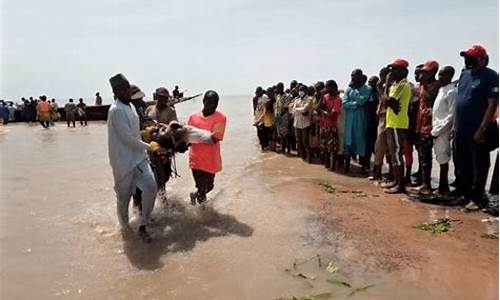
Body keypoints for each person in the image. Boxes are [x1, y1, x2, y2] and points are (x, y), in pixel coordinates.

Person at [107, 73, 162, 243]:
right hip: (123, 161)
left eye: (128, 86)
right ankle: (125, 228)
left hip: (138, 158)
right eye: (124, 88)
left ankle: (143, 224)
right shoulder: (115, 110)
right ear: (116, 91)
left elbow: (133, 134)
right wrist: (149, 146)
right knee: (124, 198)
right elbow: (126, 139)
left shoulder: (130, 106)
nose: (127, 90)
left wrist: (144, 134)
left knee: (151, 186)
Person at [455, 45, 499, 210]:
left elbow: (492, 104)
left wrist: (482, 128)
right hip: (461, 129)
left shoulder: (491, 76)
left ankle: (477, 197)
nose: (467, 60)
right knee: (462, 163)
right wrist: (455, 126)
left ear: (481, 59)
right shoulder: (465, 74)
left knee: (479, 165)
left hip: (478, 130)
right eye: (466, 57)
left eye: (471, 57)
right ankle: (464, 194)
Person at [188, 90, 226, 205]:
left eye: (215, 104)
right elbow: (188, 137)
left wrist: (195, 135)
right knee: (201, 189)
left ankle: (195, 195)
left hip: (211, 160)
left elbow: (214, 139)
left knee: (209, 186)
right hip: (196, 159)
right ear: (204, 101)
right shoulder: (193, 118)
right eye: (210, 103)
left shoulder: (221, 118)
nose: (212, 106)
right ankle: (203, 218)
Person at [384, 58, 412, 194]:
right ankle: (396, 181)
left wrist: (384, 86)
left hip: (398, 123)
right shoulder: (395, 85)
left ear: (403, 71)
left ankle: (401, 185)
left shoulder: (403, 85)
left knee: (397, 153)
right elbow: (387, 103)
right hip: (392, 122)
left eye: (395, 69)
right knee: (394, 154)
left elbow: (389, 100)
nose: (392, 72)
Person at [413, 60, 440, 196]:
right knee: (423, 155)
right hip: (420, 124)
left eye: (425, 73)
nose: (422, 75)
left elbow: (433, 102)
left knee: (432, 156)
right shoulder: (422, 86)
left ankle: (429, 185)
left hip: (431, 125)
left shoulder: (437, 86)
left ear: (434, 72)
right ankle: (425, 183)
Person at [431, 66, 456, 196]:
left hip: (443, 130)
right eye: (439, 75)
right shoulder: (441, 89)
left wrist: (440, 130)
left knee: (444, 158)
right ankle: (442, 185)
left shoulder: (451, 92)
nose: (439, 77)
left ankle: (444, 186)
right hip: (436, 128)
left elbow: (451, 115)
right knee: (439, 157)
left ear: (450, 76)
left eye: (442, 75)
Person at [342, 69, 371, 173]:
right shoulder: (348, 89)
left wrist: (354, 94)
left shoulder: (366, 88)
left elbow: (362, 100)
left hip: (360, 119)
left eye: (354, 75)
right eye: (351, 75)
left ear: (360, 76)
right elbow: (344, 103)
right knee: (348, 142)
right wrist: (355, 104)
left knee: (360, 142)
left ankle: (363, 167)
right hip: (349, 120)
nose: (352, 77)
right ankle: (346, 167)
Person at [369, 67, 392, 181]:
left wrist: (380, 89)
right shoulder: (383, 88)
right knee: (380, 146)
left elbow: (386, 101)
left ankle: (380, 172)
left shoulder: (391, 88)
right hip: (382, 118)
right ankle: (379, 171)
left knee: (386, 147)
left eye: (383, 76)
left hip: (389, 119)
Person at [319, 80, 342, 170]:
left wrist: (322, 111)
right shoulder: (325, 97)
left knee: (333, 148)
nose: (325, 89)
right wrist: (321, 96)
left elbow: (332, 115)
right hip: (323, 125)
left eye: (327, 87)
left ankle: (333, 165)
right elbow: (318, 107)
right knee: (324, 147)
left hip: (332, 126)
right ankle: (327, 162)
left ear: (333, 87)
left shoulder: (337, 99)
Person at [292, 84, 313, 162]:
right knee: (299, 141)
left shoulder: (309, 99)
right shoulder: (297, 99)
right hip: (297, 123)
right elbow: (292, 110)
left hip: (305, 123)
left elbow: (305, 109)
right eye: (299, 90)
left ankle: (309, 158)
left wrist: (297, 109)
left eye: (302, 90)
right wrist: (299, 109)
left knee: (305, 142)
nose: (300, 92)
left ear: (306, 91)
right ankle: (303, 158)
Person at [274, 82, 293, 153]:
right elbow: (276, 107)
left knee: (286, 135)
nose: (277, 89)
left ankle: (287, 150)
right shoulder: (278, 96)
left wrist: (279, 116)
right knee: (280, 135)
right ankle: (283, 149)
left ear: (282, 88)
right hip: (278, 118)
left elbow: (286, 108)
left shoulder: (287, 96)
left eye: (278, 88)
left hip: (284, 118)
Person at [253, 86, 273, 151]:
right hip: (258, 118)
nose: (257, 94)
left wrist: (259, 119)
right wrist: (255, 118)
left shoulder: (265, 97)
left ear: (261, 92)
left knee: (264, 134)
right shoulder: (257, 98)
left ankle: (265, 148)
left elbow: (266, 109)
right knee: (259, 134)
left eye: (258, 93)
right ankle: (263, 148)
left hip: (264, 119)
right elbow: (256, 109)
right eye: (256, 93)